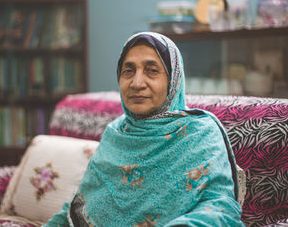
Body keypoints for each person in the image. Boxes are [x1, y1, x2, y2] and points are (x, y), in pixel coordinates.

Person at [44, 32, 244, 226]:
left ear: (173, 80)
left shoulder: (199, 133)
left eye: (152, 70)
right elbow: (83, 205)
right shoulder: (117, 133)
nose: (137, 83)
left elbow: (220, 206)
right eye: (128, 71)